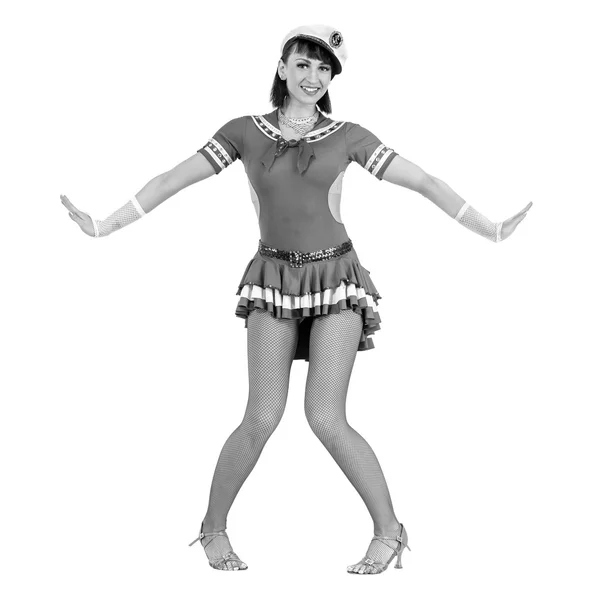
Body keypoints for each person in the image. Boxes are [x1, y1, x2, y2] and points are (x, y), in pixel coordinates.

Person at [60, 24, 532, 575]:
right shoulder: (243, 130)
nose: (314, 76)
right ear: (283, 67)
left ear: (333, 78)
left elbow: (424, 180)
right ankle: (213, 527)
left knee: (325, 417)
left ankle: (390, 532)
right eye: (304, 64)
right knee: (261, 415)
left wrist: (490, 228)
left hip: (337, 282)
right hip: (272, 282)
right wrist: (103, 224)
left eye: (325, 68)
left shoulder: (349, 136)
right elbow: (171, 179)